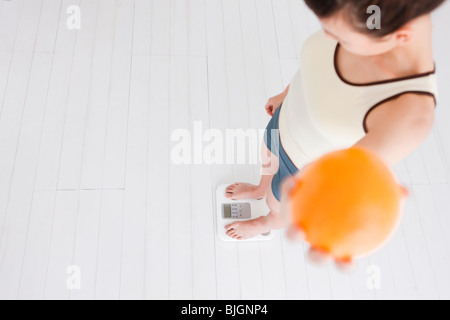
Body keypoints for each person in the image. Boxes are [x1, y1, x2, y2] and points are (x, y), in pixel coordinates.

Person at [224, 0, 445, 266]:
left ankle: (265, 223)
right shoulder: (364, 21)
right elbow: (316, 68)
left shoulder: (407, 113)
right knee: (266, 162)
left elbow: (350, 183)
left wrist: (334, 215)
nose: (327, 36)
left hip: (301, 169)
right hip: (284, 122)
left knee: (277, 204)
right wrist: (286, 95)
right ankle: (260, 187)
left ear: (400, 36)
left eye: (340, 37)